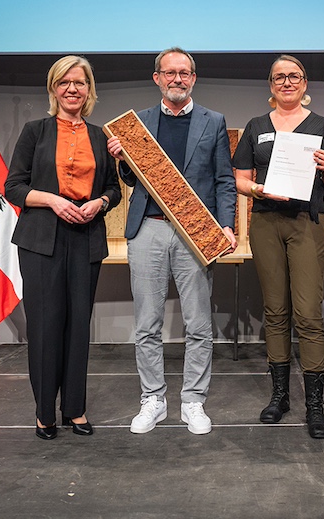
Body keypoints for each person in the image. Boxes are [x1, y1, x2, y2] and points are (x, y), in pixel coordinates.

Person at [106, 47, 237, 435]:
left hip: (196, 231)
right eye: (170, 73)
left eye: (184, 73)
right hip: (148, 227)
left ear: (193, 78)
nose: (177, 79)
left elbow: (224, 180)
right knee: (147, 322)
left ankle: (193, 401)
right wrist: (123, 159)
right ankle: (153, 399)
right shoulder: (138, 123)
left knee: (198, 323)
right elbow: (132, 181)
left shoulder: (213, 121)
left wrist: (226, 226)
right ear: (157, 78)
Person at [5, 55, 121, 440]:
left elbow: (113, 190)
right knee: (44, 326)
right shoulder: (35, 131)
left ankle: (75, 408)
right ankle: (44, 414)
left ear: (90, 90)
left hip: (86, 239)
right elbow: (14, 187)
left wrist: (99, 203)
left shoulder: (102, 135)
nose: (73, 89)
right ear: (54, 89)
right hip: (41, 240)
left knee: (77, 327)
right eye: (64, 82)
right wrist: (54, 200)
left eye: (80, 83)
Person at [232, 55, 324, 439]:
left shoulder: (321, 126)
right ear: (270, 85)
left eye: (293, 76)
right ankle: (280, 396)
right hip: (265, 222)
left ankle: (316, 406)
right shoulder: (256, 127)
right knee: (275, 310)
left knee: (308, 313)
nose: (286, 82)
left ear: (305, 82)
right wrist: (257, 188)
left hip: (306, 223)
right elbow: (240, 179)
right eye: (279, 77)